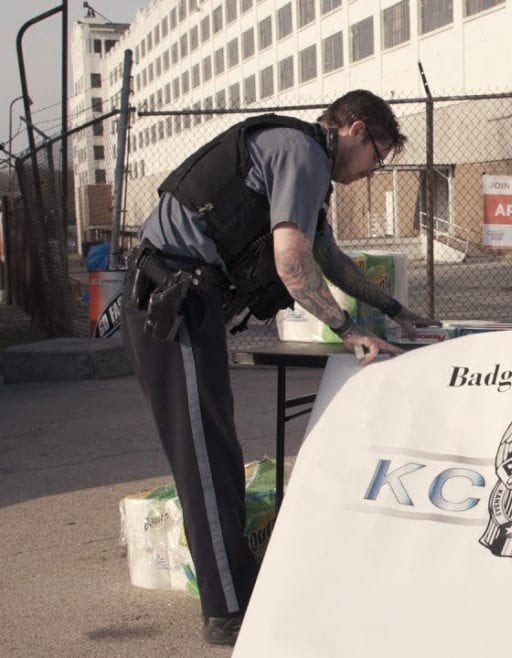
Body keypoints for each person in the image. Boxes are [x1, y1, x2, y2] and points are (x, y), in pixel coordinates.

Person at [121, 89, 434, 646]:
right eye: (377, 157)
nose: (370, 173)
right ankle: (228, 610)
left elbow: (327, 258)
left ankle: (236, 585)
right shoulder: (302, 152)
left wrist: (394, 310)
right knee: (205, 453)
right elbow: (293, 263)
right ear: (356, 130)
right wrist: (349, 329)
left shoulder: (302, 159)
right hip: (174, 300)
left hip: (189, 297)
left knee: (215, 448)